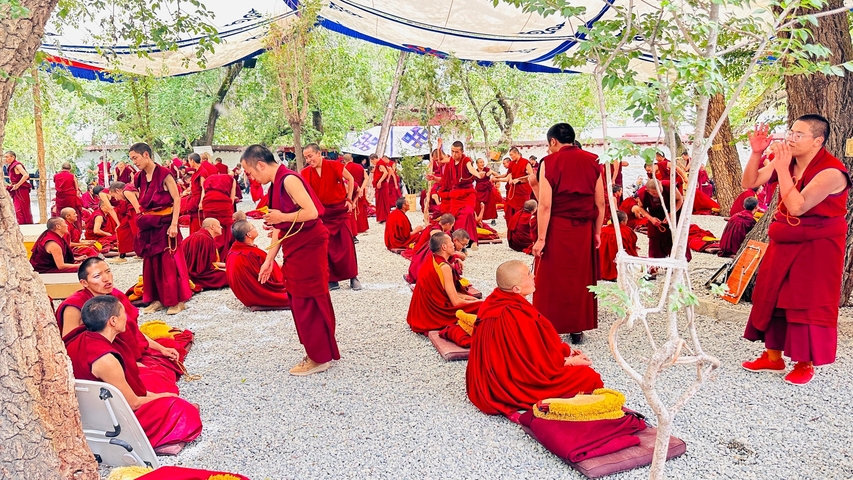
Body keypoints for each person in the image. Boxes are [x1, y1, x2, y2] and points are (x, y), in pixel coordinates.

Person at [741, 117, 850, 385]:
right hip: (785, 238)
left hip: (817, 246)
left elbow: (798, 206)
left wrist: (780, 168)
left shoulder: (831, 172)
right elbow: (750, 181)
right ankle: (773, 356)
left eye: (799, 134)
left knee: (806, 300)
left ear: (817, 141)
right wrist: (756, 153)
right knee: (773, 293)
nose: (791, 138)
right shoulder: (787, 162)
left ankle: (805, 363)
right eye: (791, 132)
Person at [241, 144, 340, 376]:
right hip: (295, 245)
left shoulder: (289, 180)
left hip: (310, 246)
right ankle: (316, 351)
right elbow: (279, 226)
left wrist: (282, 216)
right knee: (298, 299)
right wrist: (269, 258)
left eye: (251, 172)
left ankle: (320, 357)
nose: (252, 178)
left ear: (261, 164)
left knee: (309, 299)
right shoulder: (276, 184)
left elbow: (312, 212)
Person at [466, 260, 604, 417]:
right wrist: (568, 362)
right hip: (513, 384)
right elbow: (538, 363)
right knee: (589, 377)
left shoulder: (492, 302)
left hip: (487, 381)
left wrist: (566, 353)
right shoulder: (516, 316)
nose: (534, 276)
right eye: (528, 274)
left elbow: (529, 352)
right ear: (516, 289)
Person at [63, 295, 202, 451]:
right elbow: (133, 403)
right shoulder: (106, 359)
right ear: (113, 321)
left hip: (90, 410)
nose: (127, 318)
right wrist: (165, 397)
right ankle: (149, 441)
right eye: (123, 314)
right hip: (111, 418)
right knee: (183, 409)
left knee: (160, 391)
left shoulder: (81, 338)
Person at [57, 257, 189, 392]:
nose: (106, 279)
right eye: (97, 276)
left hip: (127, 354)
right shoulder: (74, 307)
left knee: (170, 348)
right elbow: (72, 348)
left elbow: (132, 332)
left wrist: (161, 349)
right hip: (102, 364)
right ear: (84, 283)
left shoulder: (115, 296)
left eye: (108, 271)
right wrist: (124, 365)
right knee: (155, 384)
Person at [533, 123, 604, 343]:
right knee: (579, 277)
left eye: (549, 145)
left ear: (553, 141)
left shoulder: (549, 162)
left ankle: (548, 326)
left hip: (557, 227)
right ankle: (576, 328)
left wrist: (541, 239)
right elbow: (600, 202)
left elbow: (545, 205)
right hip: (584, 229)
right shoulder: (593, 160)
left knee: (551, 277)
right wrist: (598, 232)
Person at [130, 142, 193, 315]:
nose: (134, 162)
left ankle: (177, 301)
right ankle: (157, 299)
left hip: (165, 224)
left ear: (146, 155)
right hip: (149, 225)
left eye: (135, 158)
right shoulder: (139, 177)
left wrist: (174, 224)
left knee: (169, 262)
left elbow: (177, 199)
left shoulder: (165, 174)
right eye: (132, 159)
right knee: (151, 263)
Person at [301, 143, 362, 291]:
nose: (309, 160)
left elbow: (351, 179)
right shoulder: (305, 173)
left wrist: (348, 199)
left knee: (347, 244)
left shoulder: (334, 166)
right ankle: (332, 279)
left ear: (319, 154)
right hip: (322, 214)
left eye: (310, 156)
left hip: (340, 212)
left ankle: (353, 277)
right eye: (306, 158)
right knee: (326, 247)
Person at [405, 232, 482, 333]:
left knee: (474, 301)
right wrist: (479, 303)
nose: (453, 244)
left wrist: (472, 299)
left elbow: (448, 291)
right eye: (451, 242)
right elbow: (456, 302)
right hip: (435, 315)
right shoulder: (444, 267)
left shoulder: (431, 258)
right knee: (484, 307)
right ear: (444, 247)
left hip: (418, 315)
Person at [226, 220, 291, 311]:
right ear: (249, 235)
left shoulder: (233, 250)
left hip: (246, 297)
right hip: (260, 295)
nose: (255, 228)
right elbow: (274, 273)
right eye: (253, 227)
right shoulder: (252, 254)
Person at [438, 140, 480, 244]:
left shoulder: (466, 160)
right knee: (455, 217)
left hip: (468, 193)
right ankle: (458, 241)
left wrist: (478, 174)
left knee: (468, 213)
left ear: (462, 151)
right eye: (452, 151)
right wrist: (439, 149)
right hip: (456, 193)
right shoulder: (451, 160)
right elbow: (441, 160)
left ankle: (470, 240)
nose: (454, 154)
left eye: (457, 152)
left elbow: (470, 169)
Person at [635, 179, 685, 259]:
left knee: (675, 236)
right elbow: (641, 207)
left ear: (661, 186)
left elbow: (680, 200)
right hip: (655, 215)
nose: (658, 194)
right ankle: (656, 262)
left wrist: (672, 213)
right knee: (655, 238)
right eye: (655, 193)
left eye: (660, 191)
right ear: (648, 191)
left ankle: (678, 260)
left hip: (673, 212)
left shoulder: (669, 186)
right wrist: (651, 219)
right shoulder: (642, 192)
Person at [404, 213, 456, 284]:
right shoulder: (436, 230)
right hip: (424, 253)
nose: (451, 228)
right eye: (452, 226)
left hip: (420, 251)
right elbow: (434, 234)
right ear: (447, 224)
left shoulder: (436, 226)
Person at [492, 147, 534, 229]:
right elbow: (508, 175)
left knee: (523, 210)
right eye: (510, 155)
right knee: (510, 211)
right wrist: (498, 177)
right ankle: (512, 227)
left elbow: (531, 175)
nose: (511, 157)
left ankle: (523, 227)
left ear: (517, 153)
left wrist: (519, 180)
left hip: (523, 190)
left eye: (512, 155)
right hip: (513, 191)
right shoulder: (512, 164)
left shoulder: (525, 162)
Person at [183, 218, 228, 290]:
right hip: (196, 275)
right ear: (212, 227)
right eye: (219, 225)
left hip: (185, 270)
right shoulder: (205, 239)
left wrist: (227, 265)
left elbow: (207, 262)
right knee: (226, 276)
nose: (221, 227)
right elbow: (203, 269)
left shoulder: (198, 235)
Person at [201, 171, 238, 258]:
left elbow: (203, 196)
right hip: (223, 204)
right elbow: (232, 199)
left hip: (208, 204)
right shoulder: (231, 180)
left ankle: (210, 252)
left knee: (210, 226)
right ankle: (224, 255)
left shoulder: (207, 180)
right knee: (225, 229)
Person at [182, 153, 217, 234]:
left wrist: (201, 202)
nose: (189, 163)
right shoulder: (196, 171)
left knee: (198, 221)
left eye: (189, 161)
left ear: (192, 161)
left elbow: (204, 188)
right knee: (193, 220)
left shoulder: (202, 172)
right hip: (194, 197)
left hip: (198, 199)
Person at [599, 211, 639, 281]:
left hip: (602, 266)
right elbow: (631, 247)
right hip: (619, 264)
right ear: (623, 222)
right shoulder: (627, 231)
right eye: (627, 220)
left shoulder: (602, 231)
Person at [108, 181, 140, 262]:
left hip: (136, 212)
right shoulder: (126, 191)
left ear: (118, 191)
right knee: (121, 229)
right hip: (131, 212)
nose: (116, 199)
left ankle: (141, 253)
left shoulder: (126, 192)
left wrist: (141, 220)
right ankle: (122, 255)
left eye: (114, 196)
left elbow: (137, 208)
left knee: (137, 232)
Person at [5, 151, 33, 224]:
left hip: (21, 190)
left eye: (7, 157)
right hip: (16, 189)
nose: (5, 159)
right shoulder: (10, 166)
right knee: (17, 208)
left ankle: (24, 224)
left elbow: (26, 175)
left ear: (13, 157)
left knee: (20, 209)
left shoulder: (17, 165)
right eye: (5, 157)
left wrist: (17, 185)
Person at [53, 162, 83, 226]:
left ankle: (59, 226)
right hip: (70, 197)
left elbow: (55, 183)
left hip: (60, 197)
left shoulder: (56, 175)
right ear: (70, 169)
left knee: (60, 212)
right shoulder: (72, 175)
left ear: (62, 168)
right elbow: (76, 187)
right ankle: (72, 227)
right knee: (71, 212)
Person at [474, 158, 499, 224]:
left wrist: (491, 173)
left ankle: (493, 219)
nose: (482, 163)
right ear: (477, 164)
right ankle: (479, 218)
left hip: (488, 189)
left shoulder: (487, 169)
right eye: (480, 162)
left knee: (491, 203)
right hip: (479, 189)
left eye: (483, 162)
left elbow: (496, 174)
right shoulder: (475, 171)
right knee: (478, 204)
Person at [371, 153, 393, 223]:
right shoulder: (379, 164)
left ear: (374, 159)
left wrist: (380, 181)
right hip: (381, 185)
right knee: (380, 201)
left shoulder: (380, 164)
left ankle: (385, 217)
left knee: (383, 201)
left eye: (372, 161)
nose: (372, 163)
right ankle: (382, 217)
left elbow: (386, 172)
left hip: (382, 185)